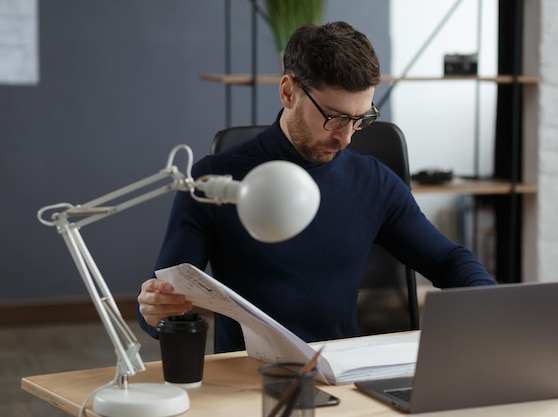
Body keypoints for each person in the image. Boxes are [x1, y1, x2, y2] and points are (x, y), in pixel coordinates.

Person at [138, 21, 496, 353]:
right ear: (288, 92)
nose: (345, 137)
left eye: (360, 119)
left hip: (342, 376)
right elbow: (162, 303)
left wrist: (490, 303)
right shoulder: (214, 182)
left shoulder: (373, 182)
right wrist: (155, 308)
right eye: (335, 117)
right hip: (246, 378)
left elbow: (449, 260)